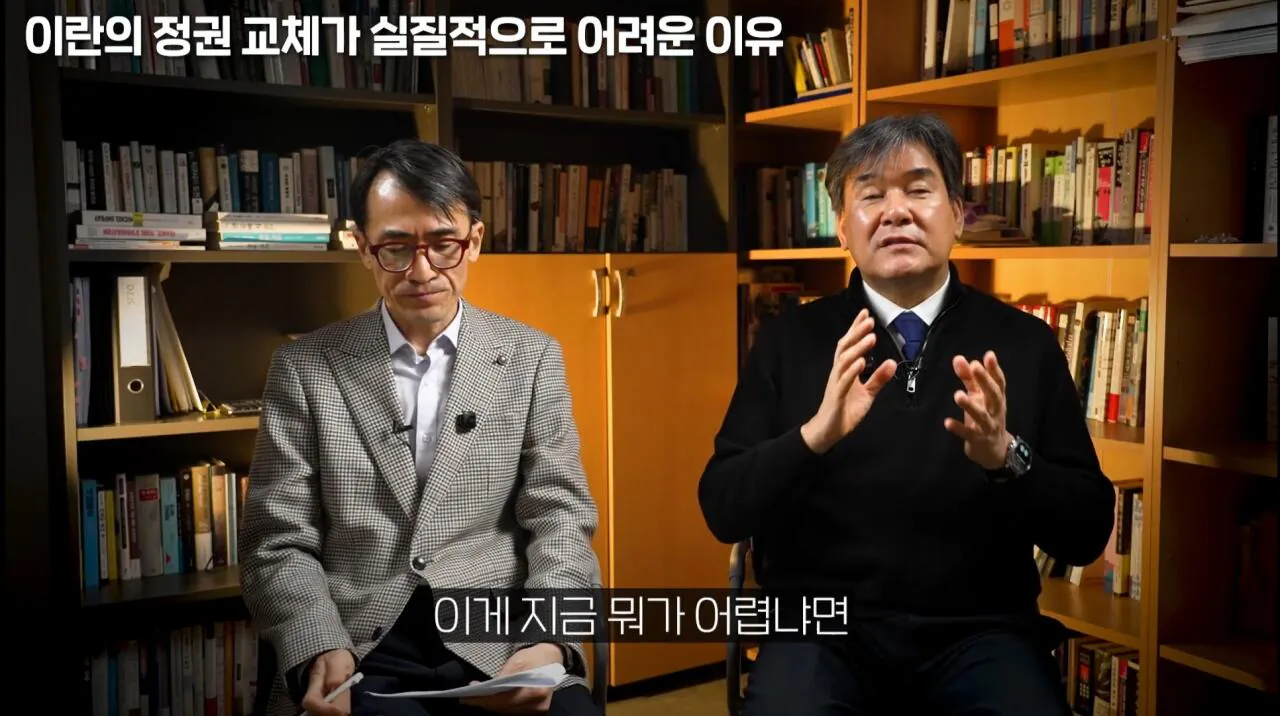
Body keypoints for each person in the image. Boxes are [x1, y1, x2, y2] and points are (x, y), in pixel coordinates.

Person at [698, 113, 1116, 715]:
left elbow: (1086, 532)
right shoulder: (789, 342)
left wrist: (1007, 458)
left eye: (919, 190)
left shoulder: (1024, 343)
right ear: (842, 228)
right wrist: (813, 437)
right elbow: (722, 506)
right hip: (820, 629)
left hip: (981, 630)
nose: (896, 212)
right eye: (871, 196)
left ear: (958, 216)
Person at [239, 139, 602, 716]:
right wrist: (318, 644)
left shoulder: (531, 356)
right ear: (363, 247)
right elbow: (276, 540)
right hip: (360, 644)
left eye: (443, 244)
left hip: (499, 639)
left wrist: (549, 642)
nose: (422, 271)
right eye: (396, 248)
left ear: (474, 241)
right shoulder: (305, 367)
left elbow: (560, 519)